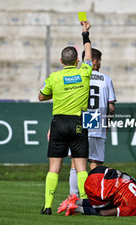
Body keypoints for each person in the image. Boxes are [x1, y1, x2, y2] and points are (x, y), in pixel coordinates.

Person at [38, 20, 92, 215]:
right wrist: (85, 34)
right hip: (78, 122)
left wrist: (58, 94)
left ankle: (47, 206)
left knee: (54, 168)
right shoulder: (85, 72)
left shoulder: (53, 78)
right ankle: (86, 204)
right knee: (81, 167)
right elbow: (89, 55)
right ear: (77, 61)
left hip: (58, 123)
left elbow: (41, 97)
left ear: (61, 62)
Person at [68, 48, 116, 197]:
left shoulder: (77, 76)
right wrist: (107, 125)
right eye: (100, 60)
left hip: (80, 122)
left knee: (76, 164)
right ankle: (94, 199)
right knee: (95, 164)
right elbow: (111, 108)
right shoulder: (106, 79)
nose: (100, 63)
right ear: (94, 61)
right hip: (97, 123)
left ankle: (73, 197)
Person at [58, 166, 136, 217]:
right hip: (97, 186)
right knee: (106, 207)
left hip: (102, 172)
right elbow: (104, 213)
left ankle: (76, 201)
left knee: (111, 200)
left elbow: (128, 177)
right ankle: (75, 208)